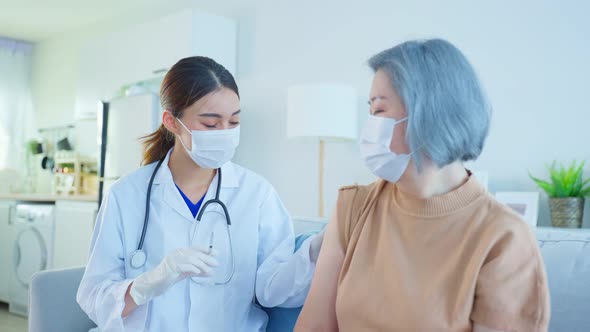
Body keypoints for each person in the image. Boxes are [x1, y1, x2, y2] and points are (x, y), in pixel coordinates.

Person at [295, 39, 550, 332]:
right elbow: (313, 327)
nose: (369, 126)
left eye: (378, 111)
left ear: (430, 113)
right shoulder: (354, 207)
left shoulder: (504, 237)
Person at [77, 56, 323, 331]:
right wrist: (149, 282)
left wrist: (316, 251)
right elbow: (94, 296)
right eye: (210, 123)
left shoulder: (257, 194)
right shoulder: (126, 195)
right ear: (171, 121)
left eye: (234, 122)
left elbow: (272, 291)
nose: (225, 133)